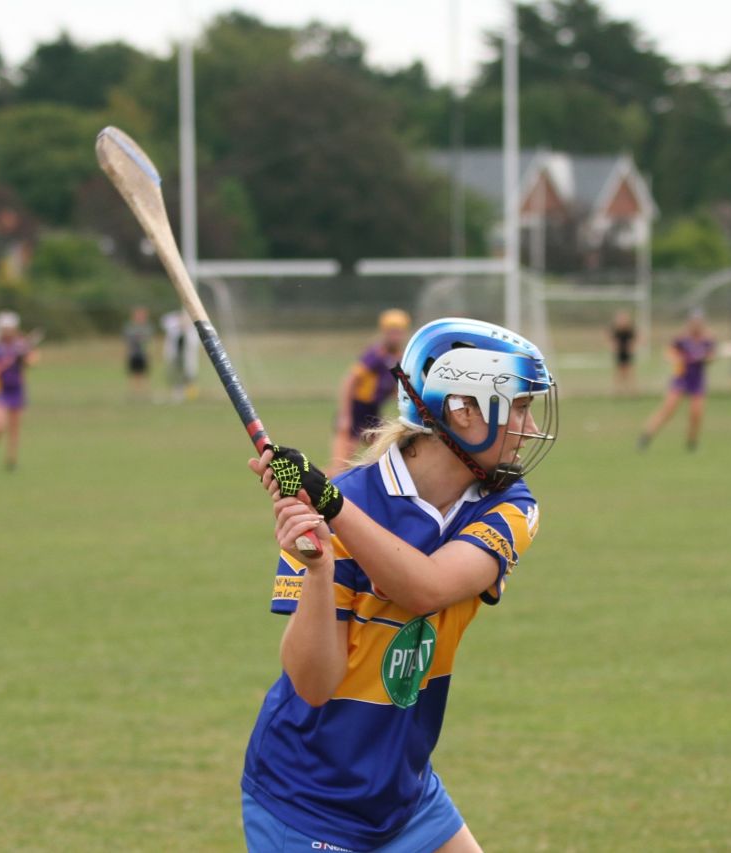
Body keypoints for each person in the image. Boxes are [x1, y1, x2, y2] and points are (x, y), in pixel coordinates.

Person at [242, 317, 557, 853]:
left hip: (404, 794)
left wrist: (333, 509)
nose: (528, 427)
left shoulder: (509, 504)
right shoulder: (336, 507)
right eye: (519, 407)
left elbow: (427, 588)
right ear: (463, 411)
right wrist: (318, 570)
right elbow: (313, 684)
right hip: (311, 798)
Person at [331, 309, 411, 473]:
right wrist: (345, 416)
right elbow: (349, 381)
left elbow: (395, 387)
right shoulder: (374, 355)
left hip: (372, 412)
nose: (395, 337)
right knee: (340, 467)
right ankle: (311, 491)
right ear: (384, 332)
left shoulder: (399, 357)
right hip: (356, 409)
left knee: (386, 457)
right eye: (391, 332)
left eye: (398, 332)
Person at [636, 308, 715, 452]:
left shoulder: (707, 339)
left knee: (696, 413)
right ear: (689, 322)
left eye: (699, 322)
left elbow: (711, 356)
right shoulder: (682, 338)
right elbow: (669, 352)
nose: (696, 324)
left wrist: (703, 358)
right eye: (694, 321)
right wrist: (677, 358)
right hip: (681, 378)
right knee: (668, 410)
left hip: (697, 380)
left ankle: (692, 444)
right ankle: (645, 438)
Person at [0, 311, 38, 472]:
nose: (8, 331)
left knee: (14, 427)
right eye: (5, 328)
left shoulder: (21, 345)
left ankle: (11, 461)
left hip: (17, 389)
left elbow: (32, 360)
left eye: (10, 328)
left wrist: (23, 358)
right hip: (0, 390)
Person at [160, 309, 198, 403]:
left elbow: (194, 342)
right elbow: (165, 323)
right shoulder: (172, 323)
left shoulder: (192, 328)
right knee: (176, 374)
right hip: (175, 355)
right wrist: (180, 323)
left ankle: (189, 393)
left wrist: (187, 325)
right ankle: (177, 392)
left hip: (186, 355)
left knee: (189, 374)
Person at [123, 306, 153, 401]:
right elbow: (128, 339)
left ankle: (144, 393)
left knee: (144, 373)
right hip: (133, 353)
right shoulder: (130, 326)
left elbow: (147, 340)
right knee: (133, 373)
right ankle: (134, 393)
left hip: (143, 353)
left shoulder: (147, 327)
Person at [610, 309, 637, 395]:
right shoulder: (615, 329)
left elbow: (636, 338)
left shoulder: (630, 328)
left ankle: (631, 390)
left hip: (628, 352)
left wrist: (632, 346)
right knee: (619, 371)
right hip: (619, 352)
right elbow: (611, 338)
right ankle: (618, 390)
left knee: (629, 371)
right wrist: (614, 346)